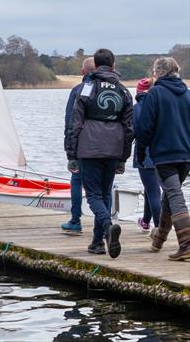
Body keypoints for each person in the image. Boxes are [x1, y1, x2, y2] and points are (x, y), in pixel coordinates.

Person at [66, 48, 133, 258]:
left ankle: (107, 227)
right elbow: (130, 128)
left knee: (94, 195)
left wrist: (71, 153)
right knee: (105, 194)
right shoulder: (123, 91)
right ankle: (98, 242)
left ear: (96, 65)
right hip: (113, 148)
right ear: (113, 66)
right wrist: (123, 157)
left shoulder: (87, 87)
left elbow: (75, 122)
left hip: (90, 147)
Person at [135, 57, 190, 261]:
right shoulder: (187, 94)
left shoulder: (155, 94)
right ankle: (158, 240)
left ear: (158, 73)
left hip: (165, 155)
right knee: (169, 195)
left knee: (174, 195)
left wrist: (141, 152)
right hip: (185, 156)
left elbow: (145, 127)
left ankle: (186, 244)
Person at [61, 57, 96, 235]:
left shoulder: (77, 90)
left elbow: (70, 121)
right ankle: (104, 222)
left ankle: (76, 220)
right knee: (103, 185)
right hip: (105, 147)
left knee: (76, 181)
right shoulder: (111, 89)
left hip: (81, 145)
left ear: (83, 72)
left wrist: (70, 151)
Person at [133, 77, 161, 233]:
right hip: (163, 153)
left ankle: (159, 228)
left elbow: (133, 132)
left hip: (145, 154)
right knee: (150, 187)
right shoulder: (161, 105)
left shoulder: (137, 108)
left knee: (154, 191)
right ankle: (145, 221)